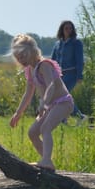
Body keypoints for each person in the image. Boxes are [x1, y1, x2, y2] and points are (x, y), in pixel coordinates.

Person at [9, 33, 74, 172]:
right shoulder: (30, 70)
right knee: (32, 132)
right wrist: (18, 113)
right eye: (18, 58)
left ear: (33, 51)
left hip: (63, 103)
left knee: (45, 128)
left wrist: (44, 103)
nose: (21, 60)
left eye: (23, 55)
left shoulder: (44, 65)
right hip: (51, 105)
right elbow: (28, 94)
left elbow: (51, 85)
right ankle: (48, 161)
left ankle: (45, 160)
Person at [51, 20, 86, 122]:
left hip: (72, 74)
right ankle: (64, 118)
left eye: (70, 28)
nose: (68, 30)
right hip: (59, 75)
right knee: (60, 96)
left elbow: (80, 60)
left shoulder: (76, 43)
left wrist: (79, 75)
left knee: (63, 95)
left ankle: (79, 116)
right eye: (66, 28)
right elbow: (53, 60)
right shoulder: (57, 44)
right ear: (62, 30)